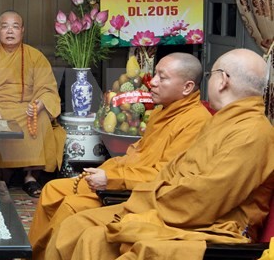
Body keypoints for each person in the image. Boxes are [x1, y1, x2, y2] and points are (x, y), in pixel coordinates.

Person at [47, 48, 274, 260]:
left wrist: (143, 202)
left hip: (206, 225)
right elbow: (174, 169)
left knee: (95, 237)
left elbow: (205, 197)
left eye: (211, 75)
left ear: (223, 80)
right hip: (172, 207)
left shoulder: (252, 133)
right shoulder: (222, 122)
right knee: (77, 226)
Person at [29, 52, 212, 259]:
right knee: (52, 189)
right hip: (120, 176)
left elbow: (164, 175)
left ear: (187, 87)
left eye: (163, 77)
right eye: (155, 75)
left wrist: (112, 180)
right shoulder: (163, 111)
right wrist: (106, 169)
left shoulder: (196, 122)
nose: (152, 82)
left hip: (134, 192)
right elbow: (137, 152)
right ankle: (32, 253)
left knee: (70, 207)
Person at [0, 10, 66, 197]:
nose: (10, 31)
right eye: (5, 26)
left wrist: (39, 104)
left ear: (22, 30)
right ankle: (1, 173)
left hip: (26, 109)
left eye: (15, 27)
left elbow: (47, 88)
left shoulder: (35, 56)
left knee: (42, 115)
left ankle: (30, 176)